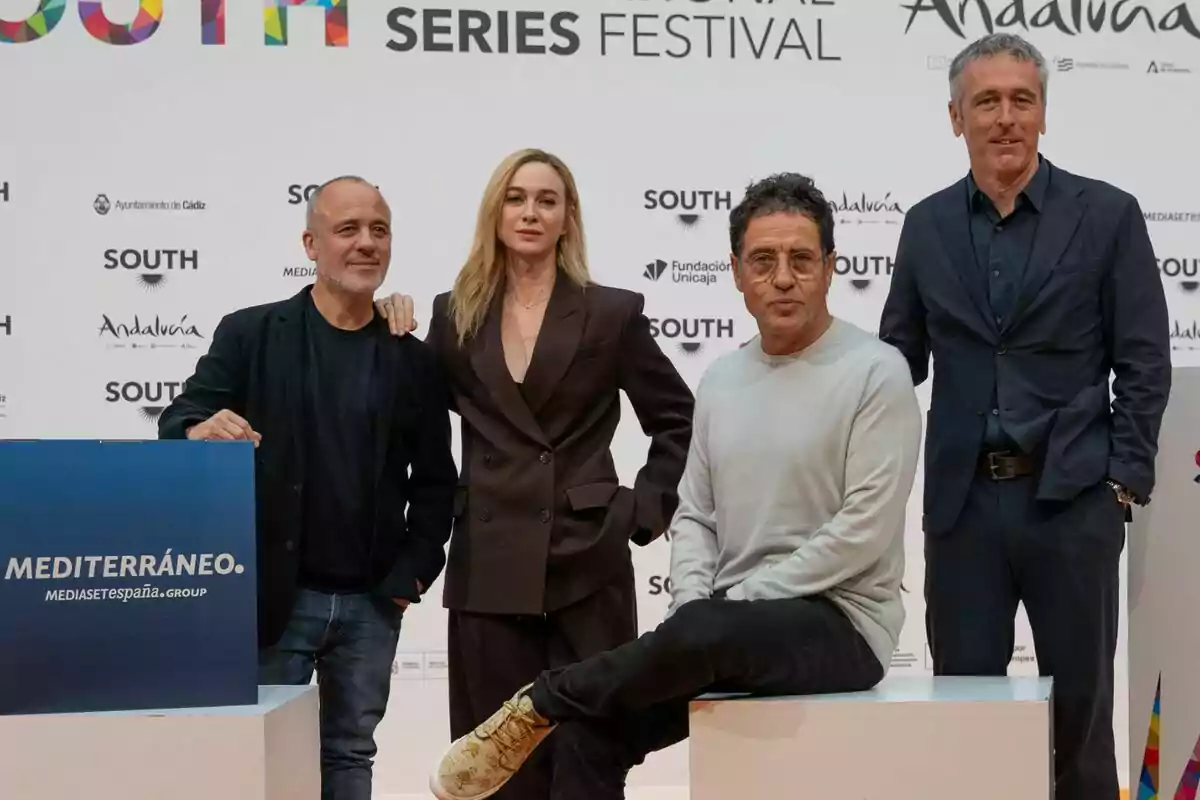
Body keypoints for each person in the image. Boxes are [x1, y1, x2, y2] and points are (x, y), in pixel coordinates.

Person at [422, 172, 923, 800]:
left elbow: (864, 530)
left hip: (840, 623)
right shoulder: (722, 378)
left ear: (830, 267)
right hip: (722, 631)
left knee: (694, 639)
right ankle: (567, 707)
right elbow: (696, 516)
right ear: (737, 273)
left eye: (801, 259)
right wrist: (693, 603)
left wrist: (728, 608)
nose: (784, 277)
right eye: (763, 261)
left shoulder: (877, 372)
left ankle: (541, 698)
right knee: (588, 734)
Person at [880, 33, 1171, 800]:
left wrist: (1123, 483)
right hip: (963, 508)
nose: (1005, 117)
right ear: (955, 118)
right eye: (986, 102)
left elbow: (1143, 361)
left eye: (1021, 100)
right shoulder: (926, 225)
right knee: (966, 716)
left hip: (1074, 503)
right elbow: (895, 359)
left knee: (1080, 719)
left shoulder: (1108, 215)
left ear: (1043, 113)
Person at [374, 148, 695, 799]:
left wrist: (641, 511)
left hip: (586, 562)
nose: (530, 211)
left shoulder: (612, 313)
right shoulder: (452, 313)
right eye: (517, 198)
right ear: (496, 213)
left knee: (588, 753)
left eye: (546, 200)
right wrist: (385, 324)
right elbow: (407, 414)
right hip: (489, 568)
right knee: (496, 767)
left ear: (566, 217)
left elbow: (679, 421)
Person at [157, 176, 458, 800]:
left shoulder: (412, 356)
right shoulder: (250, 334)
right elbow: (178, 420)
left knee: (351, 757)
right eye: (347, 229)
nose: (366, 243)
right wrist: (198, 428)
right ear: (310, 244)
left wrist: (409, 581)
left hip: (372, 603)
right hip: (274, 598)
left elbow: (435, 482)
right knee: (267, 760)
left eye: (379, 230)